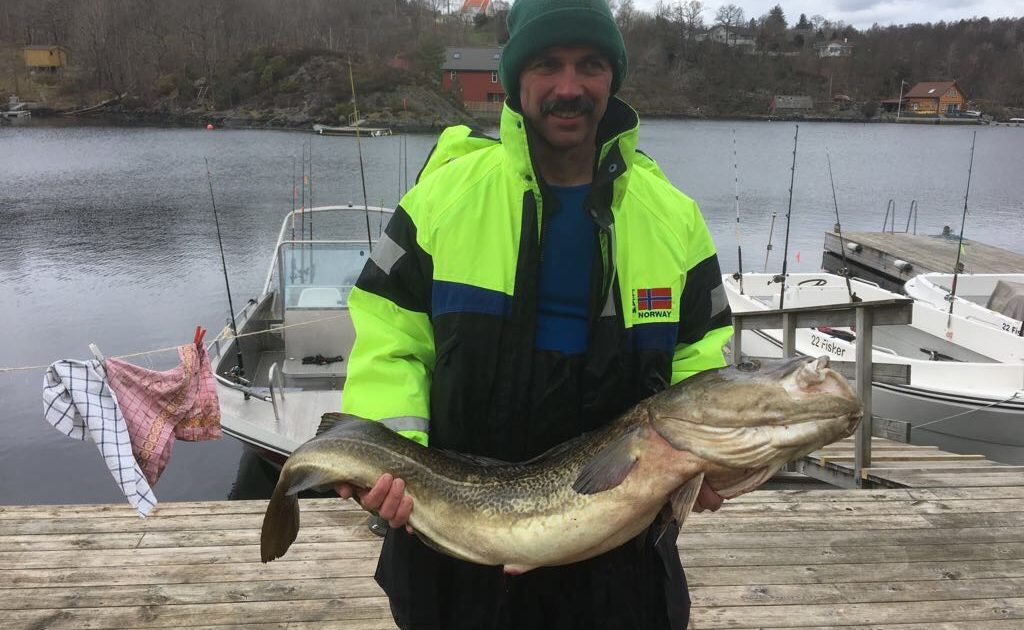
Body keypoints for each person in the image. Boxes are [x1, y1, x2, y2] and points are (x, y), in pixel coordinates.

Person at [336, 0, 733, 627]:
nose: (569, 87)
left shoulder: (674, 219)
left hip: (619, 558)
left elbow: (701, 356)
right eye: (548, 64)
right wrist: (398, 459)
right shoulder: (441, 201)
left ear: (613, 78)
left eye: (590, 65)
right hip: (459, 553)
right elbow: (391, 339)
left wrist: (705, 459)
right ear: (515, 77)